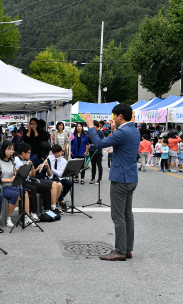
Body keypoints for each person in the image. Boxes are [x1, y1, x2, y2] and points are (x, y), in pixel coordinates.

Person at [85, 103, 140, 261]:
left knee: (118, 216)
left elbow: (100, 144)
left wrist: (91, 126)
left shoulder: (123, 132)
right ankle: (128, 249)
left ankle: (120, 251)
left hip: (120, 178)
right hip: (131, 177)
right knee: (127, 215)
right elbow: (122, 144)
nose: (113, 118)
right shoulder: (134, 130)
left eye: (114, 116)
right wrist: (114, 130)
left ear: (120, 116)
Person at [0, 141, 33, 228]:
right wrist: (9, 179)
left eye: (13, 150)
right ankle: (8, 218)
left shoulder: (11, 161)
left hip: (10, 186)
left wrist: (19, 171)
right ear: (3, 150)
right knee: (16, 194)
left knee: (24, 192)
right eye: (9, 149)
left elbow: (13, 174)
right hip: (0, 188)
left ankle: (26, 217)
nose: (11, 151)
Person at [29, 141, 64, 211]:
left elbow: (50, 174)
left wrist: (48, 167)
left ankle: (52, 205)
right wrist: (36, 169)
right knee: (54, 184)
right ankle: (52, 208)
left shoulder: (46, 159)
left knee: (59, 184)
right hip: (36, 179)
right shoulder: (35, 158)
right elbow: (31, 175)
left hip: (43, 179)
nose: (49, 153)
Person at [14, 143, 44, 221]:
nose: (30, 154)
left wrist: (32, 167)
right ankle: (33, 212)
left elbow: (32, 175)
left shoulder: (28, 160)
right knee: (32, 189)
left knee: (45, 187)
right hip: (20, 182)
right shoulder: (16, 160)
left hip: (27, 181)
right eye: (29, 152)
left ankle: (48, 210)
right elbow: (15, 174)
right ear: (23, 153)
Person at [46, 144, 72, 209]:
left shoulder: (64, 161)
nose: (59, 154)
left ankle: (58, 197)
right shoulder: (49, 159)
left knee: (69, 183)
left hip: (59, 177)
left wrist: (51, 168)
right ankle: (61, 201)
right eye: (57, 153)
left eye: (60, 152)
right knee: (58, 183)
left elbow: (60, 174)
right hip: (51, 178)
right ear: (53, 153)